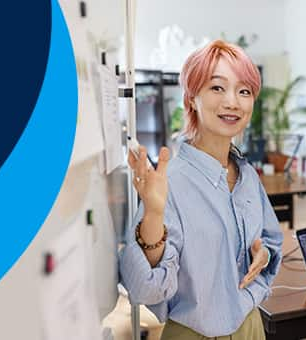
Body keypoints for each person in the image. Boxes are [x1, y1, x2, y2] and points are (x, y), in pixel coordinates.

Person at [119, 40, 282, 339]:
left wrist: (265, 256)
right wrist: (154, 214)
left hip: (251, 325)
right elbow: (145, 288)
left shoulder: (247, 176)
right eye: (217, 88)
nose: (233, 102)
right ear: (192, 98)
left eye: (244, 91)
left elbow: (271, 241)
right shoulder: (173, 182)